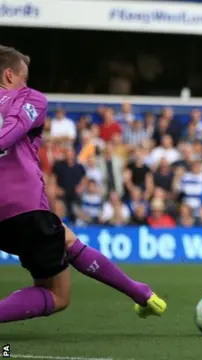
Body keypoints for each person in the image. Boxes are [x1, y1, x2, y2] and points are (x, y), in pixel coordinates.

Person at [0, 44, 166, 323]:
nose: (25, 84)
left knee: (65, 238)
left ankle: (142, 294)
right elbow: (14, 127)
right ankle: (141, 293)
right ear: (8, 75)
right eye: (23, 78)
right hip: (24, 206)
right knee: (57, 294)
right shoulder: (30, 99)